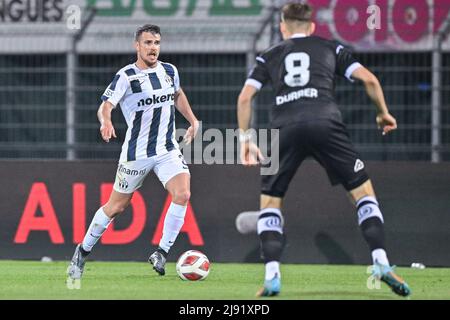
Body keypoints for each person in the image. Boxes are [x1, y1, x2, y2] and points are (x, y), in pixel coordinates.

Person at [236, 2, 411, 297]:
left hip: (285, 128)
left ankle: (272, 276)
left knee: (270, 204)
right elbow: (369, 78)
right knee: (364, 196)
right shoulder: (331, 47)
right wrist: (383, 113)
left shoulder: (270, 56)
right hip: (325, 122)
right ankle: (380, 262)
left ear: (282, 27)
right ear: (312, 26)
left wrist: (245, 139)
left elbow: (245, 96)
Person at [67, 24, 199, 281]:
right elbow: (106, 105)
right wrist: (106, 120)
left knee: (182, 193)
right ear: (137, 45)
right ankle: (82, 251)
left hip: (167, 148)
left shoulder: (170, 71)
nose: (153, 48)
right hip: (136, 153)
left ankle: (162, 252)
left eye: (157, 43)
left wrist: (193, 120)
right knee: (116, 207)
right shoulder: (126, 76)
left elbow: (178, 95)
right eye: (148, 43)